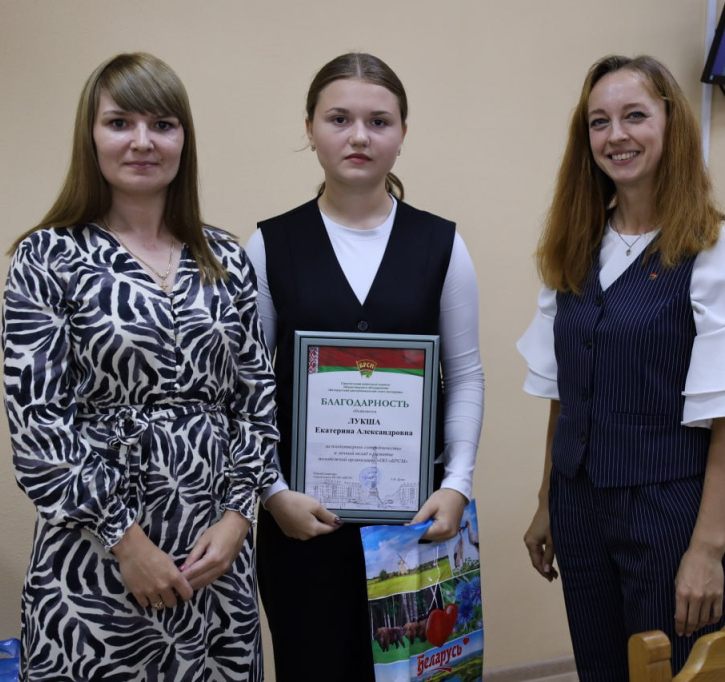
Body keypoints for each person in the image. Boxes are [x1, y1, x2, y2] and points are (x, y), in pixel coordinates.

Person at [518, 55, 725, 680]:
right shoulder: (576, 243)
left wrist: (707, 548)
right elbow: (566, 390)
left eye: (635, 116)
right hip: (578, 506)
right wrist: (547, 500)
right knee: (600, 670)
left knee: (672, 672)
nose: (616, 135)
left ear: (671, 125)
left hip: (668, 511)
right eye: (599, 122)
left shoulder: (717, 247)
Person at [1, 52, 278, 681]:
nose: (143, 141)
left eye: (163, 124)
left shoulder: (225, 256)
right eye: (120, 122)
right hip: (96, 554)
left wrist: (239, 517)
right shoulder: (47, 257)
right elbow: (38, 426)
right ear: (91, 136)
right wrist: (126, 543)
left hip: (215, 554)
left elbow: (256, 399)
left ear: (184, 139)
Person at [244, 52, 485, 681]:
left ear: (402, 134)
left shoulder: (442, 244)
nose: (359, 136)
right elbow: (249, 387)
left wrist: (457, 484)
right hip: (301, 522)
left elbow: (465, 376)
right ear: (309, 129)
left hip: (416, 523)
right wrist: (272, 492)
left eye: (379, 121)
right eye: (339, 119)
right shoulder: (269, 244)